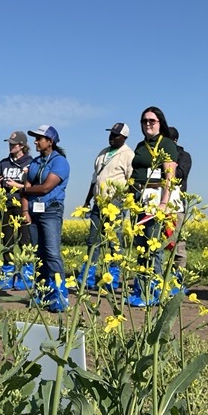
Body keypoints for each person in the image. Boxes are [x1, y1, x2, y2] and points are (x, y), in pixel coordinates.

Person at [10, 125, 69, 312]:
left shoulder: (60, 162)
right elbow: (27, 186)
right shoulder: (35, 163)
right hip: (34, 212)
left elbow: (45, 188)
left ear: (50, 141)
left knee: (52, 253)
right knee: (38, 254)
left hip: (51, 211)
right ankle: (42, 293)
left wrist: (21, 188)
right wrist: (25, 211)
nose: (35, 141)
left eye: (39, 138)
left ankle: (59, 295)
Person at [127, 106, 179, 307]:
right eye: (144, 121)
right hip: (138, 198)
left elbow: (169, 176)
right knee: (140, 245)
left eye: (152, 121)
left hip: (156, 198)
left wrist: (164, 203)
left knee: (154, 245)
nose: (147, 124)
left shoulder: (166, 144)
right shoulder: (140, 145)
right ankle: (140, 288)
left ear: (160, 123)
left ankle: (154, 290)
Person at [80, 122, 134, 290]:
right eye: (110, 134)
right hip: (99, 202)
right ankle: (88, 276)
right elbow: (95, 178)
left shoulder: (128, 155)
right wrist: (87, 199)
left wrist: (123, 201)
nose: (111, 137)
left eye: (115, 135)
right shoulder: (103, 153)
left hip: (115, 203)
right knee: (93, 240)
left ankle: (113, 277)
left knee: (114, 241)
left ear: (124, 137)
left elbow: (131, 181)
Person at [0, 131, 37, 291]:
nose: (10, 146)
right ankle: (7, 273)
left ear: (22, 145)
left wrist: (16, 185)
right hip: (6, 205)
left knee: (25, 240)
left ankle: (26, 274)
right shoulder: (3, 163)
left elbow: (34, 185)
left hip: (23, 205)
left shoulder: (31, 163)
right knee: (7, 241)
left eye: (14, 143)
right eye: (9, 143)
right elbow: (0, 184)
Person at [168, 126, 192, 290]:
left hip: (176, 204)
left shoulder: (184, 156)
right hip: (156, 203)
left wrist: (166, 166)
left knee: (178, 245)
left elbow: (181, 174)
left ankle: (179, 280)